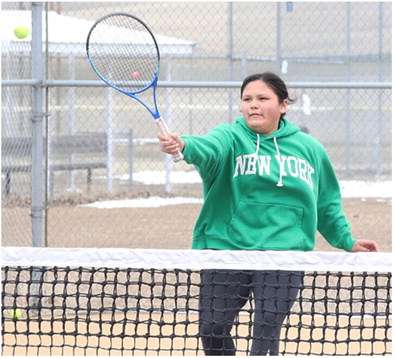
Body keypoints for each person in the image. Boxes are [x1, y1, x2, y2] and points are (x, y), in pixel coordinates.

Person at [157, 72, 379, 355]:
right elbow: (207, 148)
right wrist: (185, 145)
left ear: (283, 105)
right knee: (212, 328)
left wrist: (346, 240)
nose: (253, 105)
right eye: (247, 99)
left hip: (283, 254)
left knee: (267, 327)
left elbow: (326, 203)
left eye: (263, 98)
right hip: (227, 250)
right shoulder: (230, 137)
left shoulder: (310, 149)